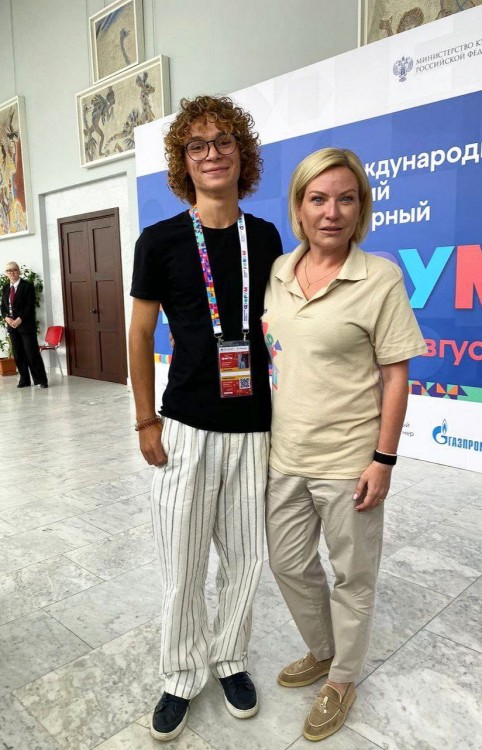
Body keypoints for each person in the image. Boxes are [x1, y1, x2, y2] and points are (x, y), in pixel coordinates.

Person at [129, 95, 282, 742]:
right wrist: (145, 421)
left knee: (245, 560)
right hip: (185, 427)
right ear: (182, 162)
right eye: (198, 145)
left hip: (253, 428)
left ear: (241, 156)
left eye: (223, 142)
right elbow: (140, 333)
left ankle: (230, 660)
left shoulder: (265, 237)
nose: (212, 153)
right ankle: (181, 672)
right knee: (182, 564)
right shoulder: (160, 241)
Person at [263, 147, 426, 742]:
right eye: (318, 199)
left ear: (361, 209)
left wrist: (383, 459)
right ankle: (324, 648)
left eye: (345, 199)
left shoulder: (379, 277)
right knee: (287, 563)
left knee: (352, 575)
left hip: (349, 460)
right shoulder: (278, 273)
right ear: (299, 208)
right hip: (285, 454)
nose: (331, 212)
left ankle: (342, 679)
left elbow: (396, 376)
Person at [1, 262, 48, 388]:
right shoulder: (5, 287)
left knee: (32, 353)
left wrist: (19, 319)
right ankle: (24, 380)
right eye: (9, 270)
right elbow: (3, 307)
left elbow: (30, 306)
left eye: (14, 270)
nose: (11, 272)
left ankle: (41, 380)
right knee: (18, 354)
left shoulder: (27, 286)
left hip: (26, 326)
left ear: (19, 271)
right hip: (12, 327)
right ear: (6, 273)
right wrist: (6, 318)